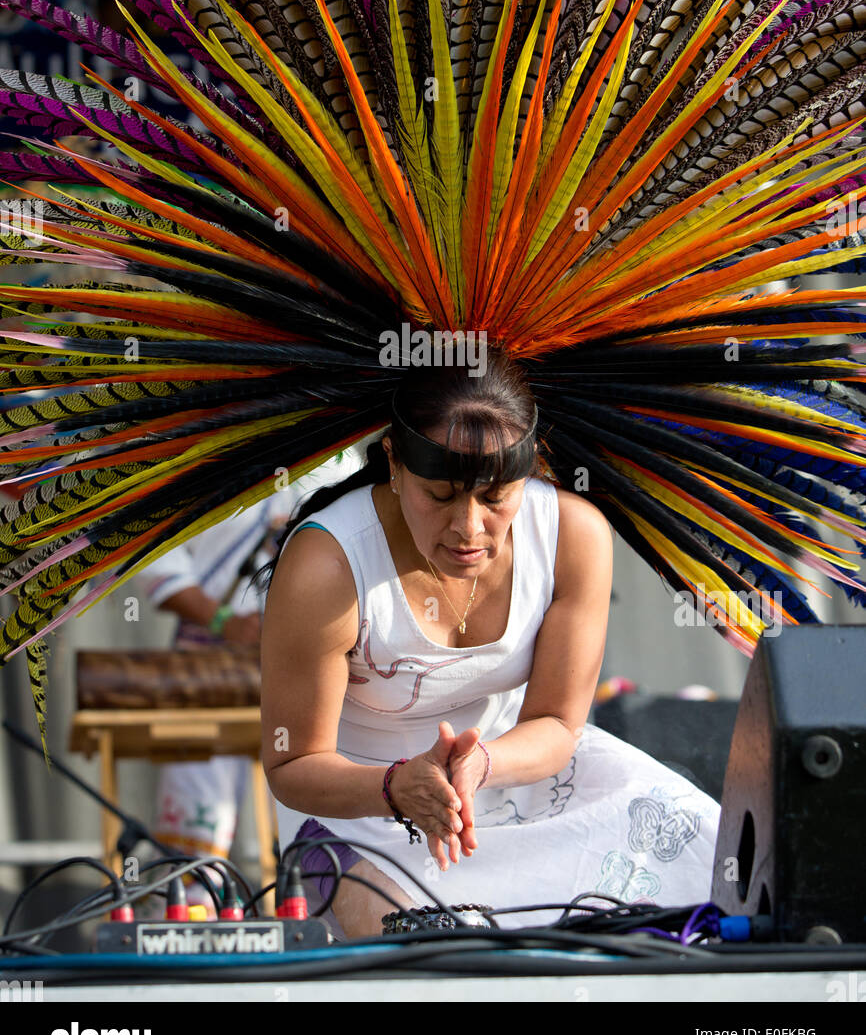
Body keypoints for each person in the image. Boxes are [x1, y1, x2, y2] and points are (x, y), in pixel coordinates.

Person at [261, 354, 721, 938]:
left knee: (716, 870)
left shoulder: (574, 534)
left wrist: (481, 763)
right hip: (358, 811)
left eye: (497, 496)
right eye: (441, 495)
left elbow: (557, 722)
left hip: (518, 774)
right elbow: (292, 765)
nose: (469, 528)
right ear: (393, 462)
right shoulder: (327, 564)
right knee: (433, 952)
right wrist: (397, 786)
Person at [139, 447, 364, 894]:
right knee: (198, 809)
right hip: (210, 661)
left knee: (310, 797)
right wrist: (224, 622)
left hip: (312, 664)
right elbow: (155, 560)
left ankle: (309, 923)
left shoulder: (341, 464)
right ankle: (191, 919)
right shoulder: (200, 457)